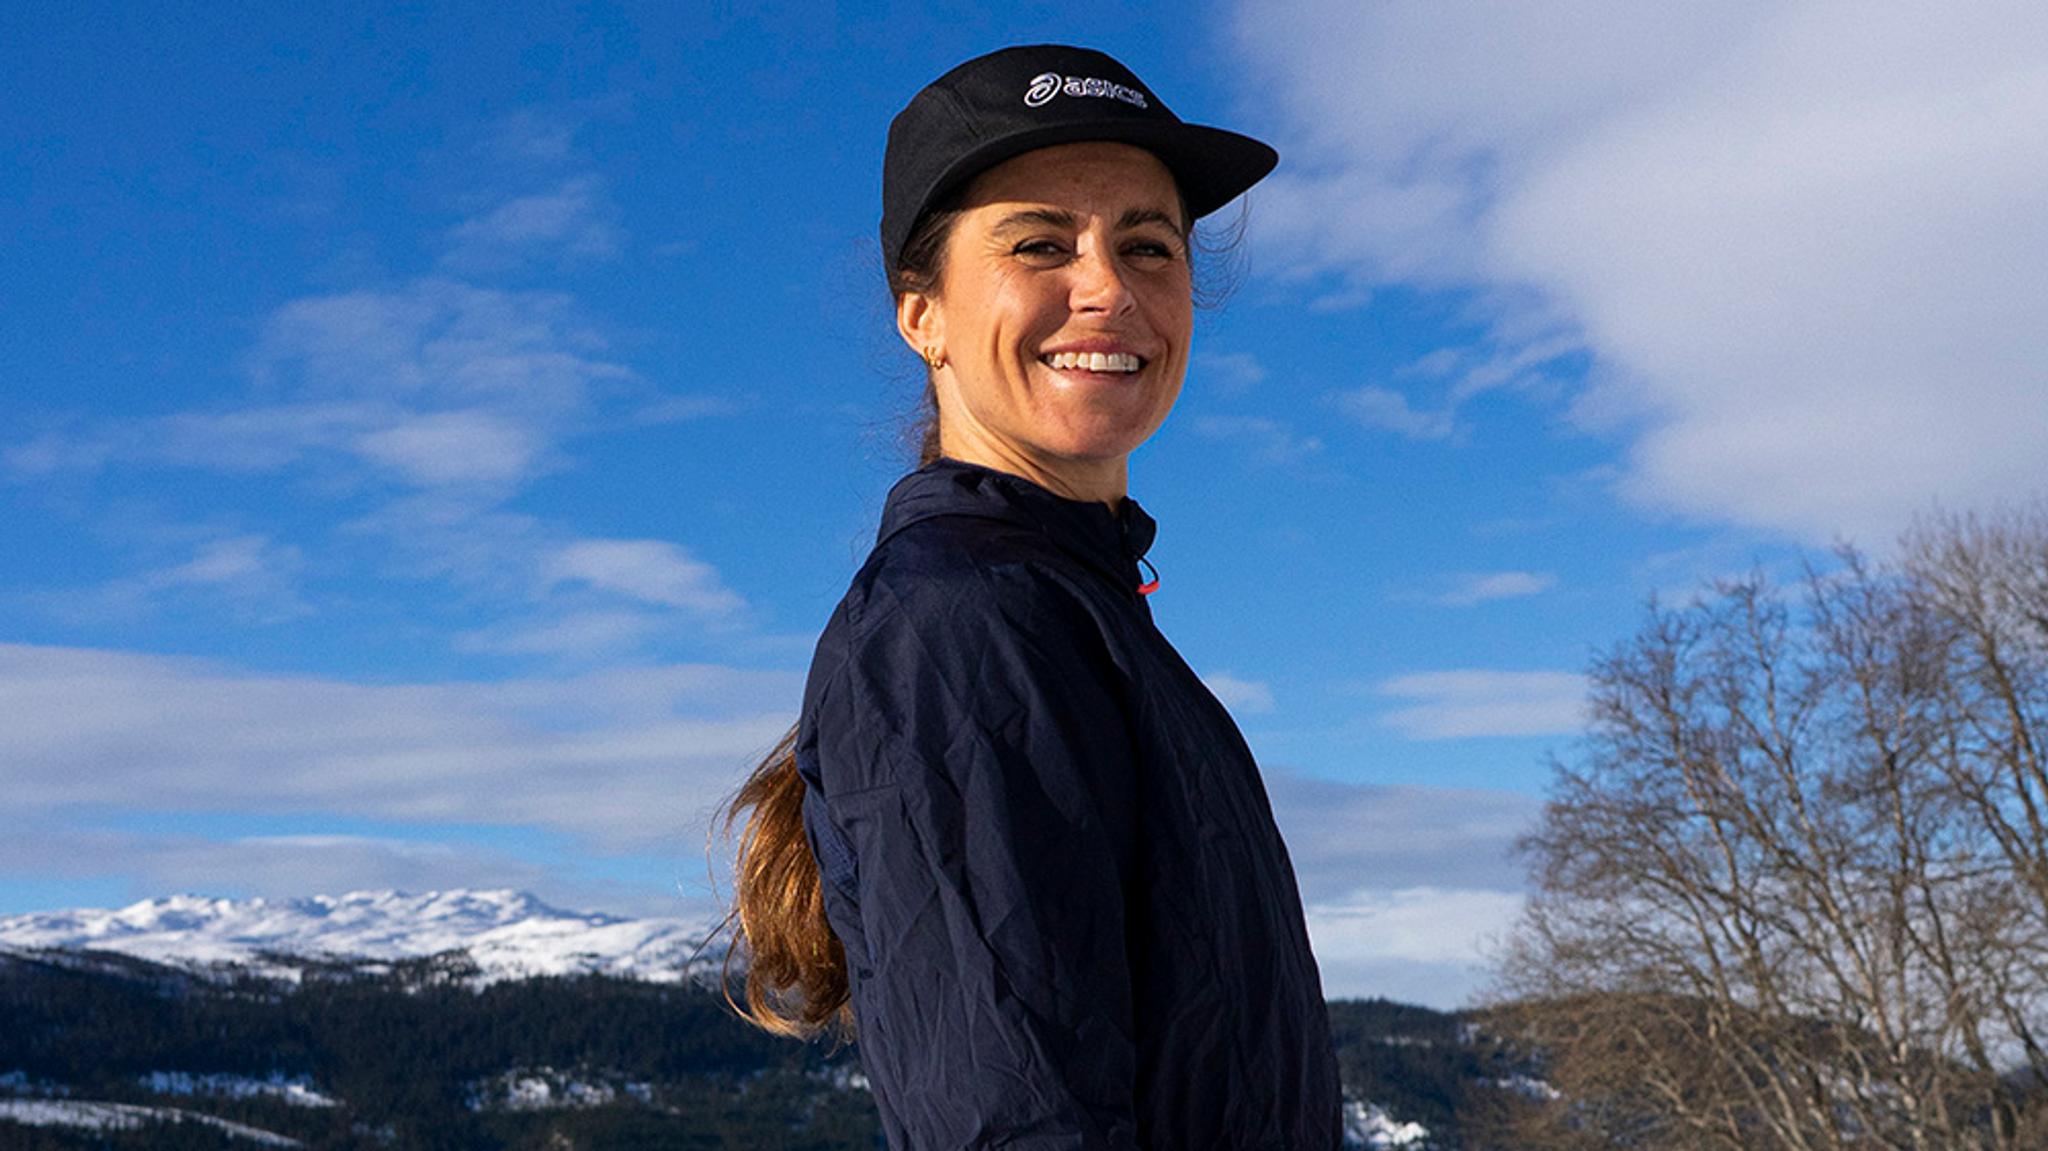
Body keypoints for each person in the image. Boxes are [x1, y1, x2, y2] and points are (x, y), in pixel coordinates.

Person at [720, 44, 1342, 1149]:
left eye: (1146, 244)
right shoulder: (959, 628)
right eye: (1039, 242)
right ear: (923, 314)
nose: (1106, 286)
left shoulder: (1074, 611)